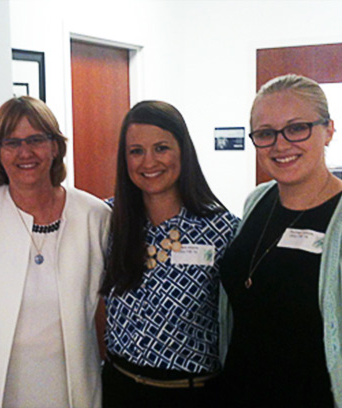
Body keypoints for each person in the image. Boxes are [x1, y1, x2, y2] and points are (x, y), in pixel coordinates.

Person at [218, 74, 342, 407]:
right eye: (266, 134)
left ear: (328, 130)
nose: (280, 145)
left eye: (297, 128)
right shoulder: (257, 202)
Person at [0, 96, 110, 408]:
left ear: (55, 147)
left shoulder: (93, 215)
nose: (24, 152)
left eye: (36, 140)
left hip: (71, 387)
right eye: (11, 142)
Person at [100, 100, 239, 408]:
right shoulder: (107, 220)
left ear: (183, 152)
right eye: (136, 151)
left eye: (161, 148)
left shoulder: (221, 229)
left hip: (191, 392)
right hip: (119, 389)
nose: (149, 162)